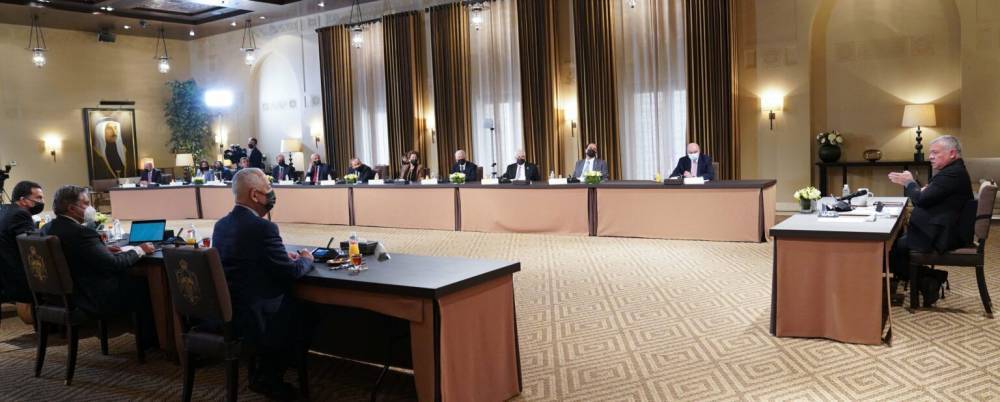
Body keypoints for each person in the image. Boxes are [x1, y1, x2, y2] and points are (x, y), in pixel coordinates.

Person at [212, 168, 314, 399]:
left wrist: (279, 256)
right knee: (307, 312)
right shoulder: (263, 227)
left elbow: (246, 258)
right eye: (268, 188)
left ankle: (267, 367)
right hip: (254, 315)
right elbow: (290, 273)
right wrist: (306, 259)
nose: (271, 193)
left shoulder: (221, 225)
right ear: (254, 195)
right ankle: (270, 376)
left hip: (227, 311)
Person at [40, 185, 158, 348]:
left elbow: (75, 253)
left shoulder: (47, 228)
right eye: (86, 203)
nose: (91, 208)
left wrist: (101, 250)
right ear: (71, 208)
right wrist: (140, 249)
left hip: (61, 297)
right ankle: (152, 343)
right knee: (146, 286)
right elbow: (114, 264)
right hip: (91, 298)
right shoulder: (81, 233)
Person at [888, 135, 974, 307]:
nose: (930, 157)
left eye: (935, 153)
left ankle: (929, 280)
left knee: (889, 251)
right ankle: (930, 280)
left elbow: (921, 199)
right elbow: (926, 197)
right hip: (940, 228)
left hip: (944, 234)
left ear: (952, 153)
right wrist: (917, 189)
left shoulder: (953, 174)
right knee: (894, 244)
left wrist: (909, 183)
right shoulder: (952, 171)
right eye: (930, 153)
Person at [0, 181, 44, 303]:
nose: (42, 202)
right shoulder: (21, 214)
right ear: (23, 200)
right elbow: (31, 246)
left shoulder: (4, 210)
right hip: (17, 278)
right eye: (39, 198)